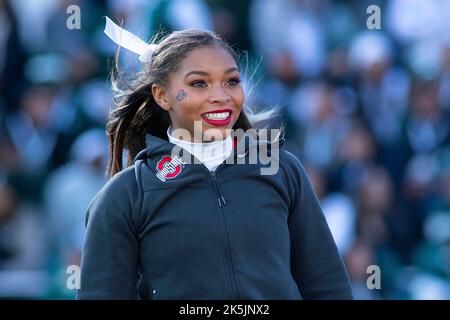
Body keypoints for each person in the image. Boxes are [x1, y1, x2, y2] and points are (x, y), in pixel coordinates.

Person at [76, 17, 353, 300]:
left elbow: (329, 289)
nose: (221, 96)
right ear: (162, 96)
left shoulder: (281, 169)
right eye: (199, 84)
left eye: (231, 81)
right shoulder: (126, 195)